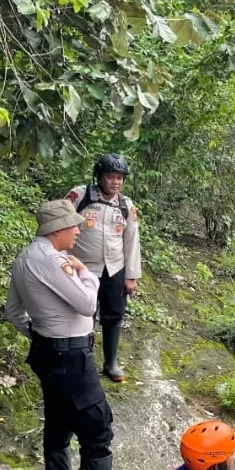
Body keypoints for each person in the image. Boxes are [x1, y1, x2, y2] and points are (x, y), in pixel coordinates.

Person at [6, 199, 136, 470]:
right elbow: (87, 303)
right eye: (74, 227)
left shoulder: (24, 258)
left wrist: (41, 334)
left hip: (49, 354)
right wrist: (86, 274)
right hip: (72, 358)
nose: (79, 231)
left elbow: (14, 313)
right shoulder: (52, 261)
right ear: (57, 230)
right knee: (97, 427)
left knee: (59, 424)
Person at [66, 153, 141, 383]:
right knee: (81, 314)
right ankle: (82, 362)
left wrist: (131, 277)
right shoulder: (80, 196)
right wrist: (60, 258)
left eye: (120, 178)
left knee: (114, 314)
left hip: (114, 269)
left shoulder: (126, 205)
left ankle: (111, 362)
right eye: (111, 177)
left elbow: (132, 241)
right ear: (99, 176)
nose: (116, 182)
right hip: (82, 267)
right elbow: (61, 224)